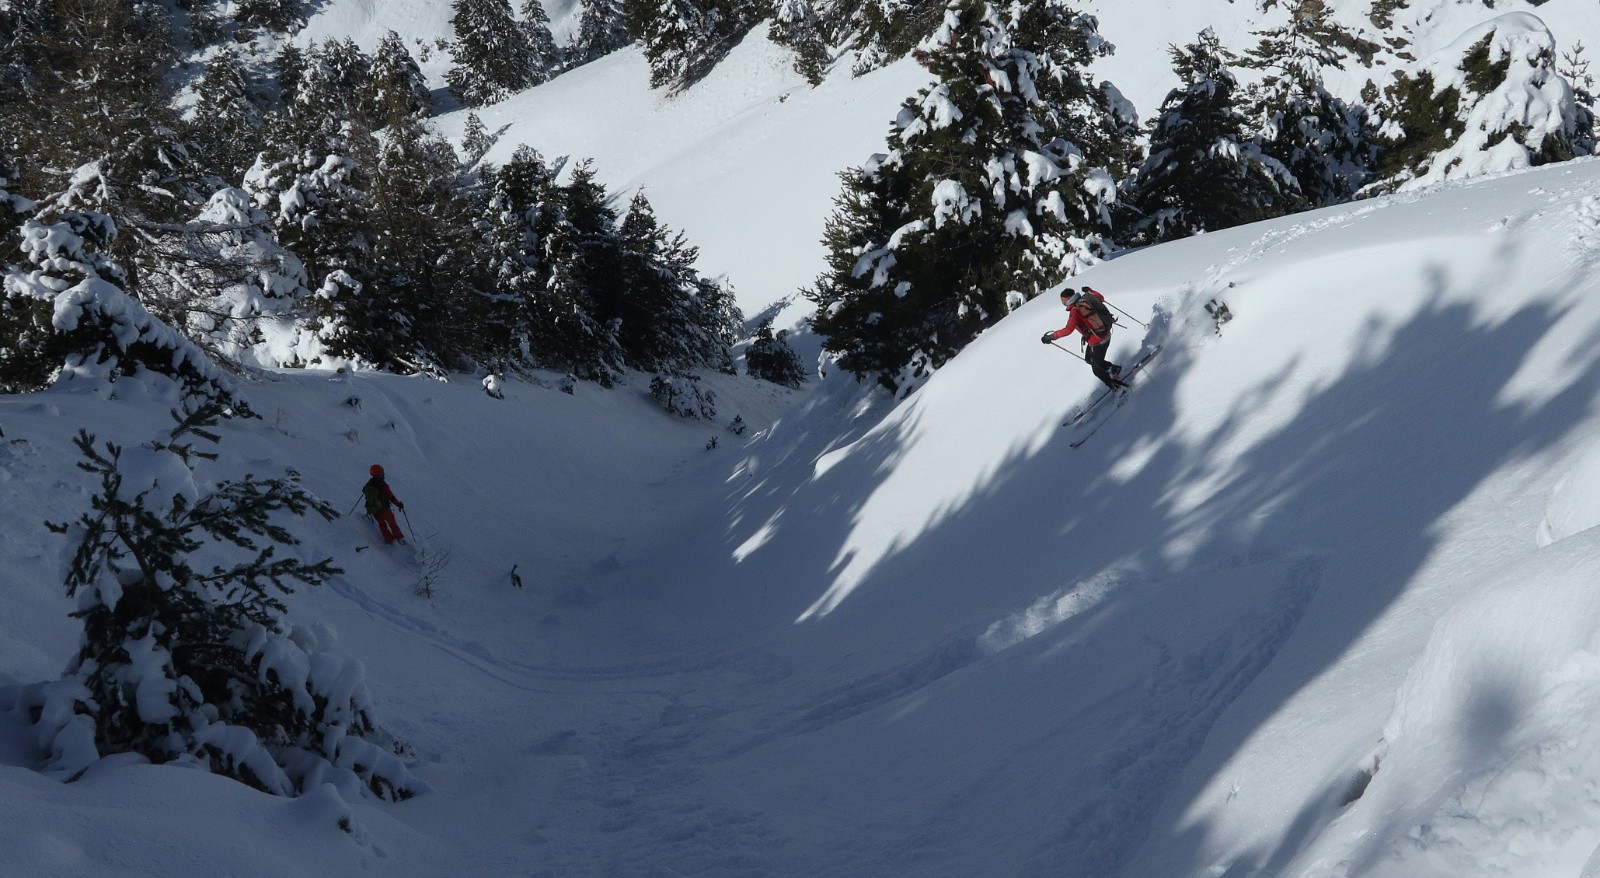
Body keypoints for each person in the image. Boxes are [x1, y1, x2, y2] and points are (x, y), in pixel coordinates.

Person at [1041, 286, 1127, 390]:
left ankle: (1117, 387)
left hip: (1098, 341)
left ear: (1068, 300)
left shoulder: (1075, 311)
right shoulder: (1086, 299)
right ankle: (1113, 369)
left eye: (1064, 302)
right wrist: (1090, 291)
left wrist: (1051, 337)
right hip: (1104, 334)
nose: (1064, 304)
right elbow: (1101, 298)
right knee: (1089, 359)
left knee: (1097, 370)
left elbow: (1068, 330)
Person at [363, 464, 406, 545]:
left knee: (382, 526)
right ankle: (400, 539)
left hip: (375, 510)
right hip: (385, 509)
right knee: (392, 524)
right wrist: (398, 504)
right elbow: (391, 497)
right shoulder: (383, 485)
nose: (383, 474)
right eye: (382, 473)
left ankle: (389, 541)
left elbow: (364, 490)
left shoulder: (369, 484)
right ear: (379, 474)